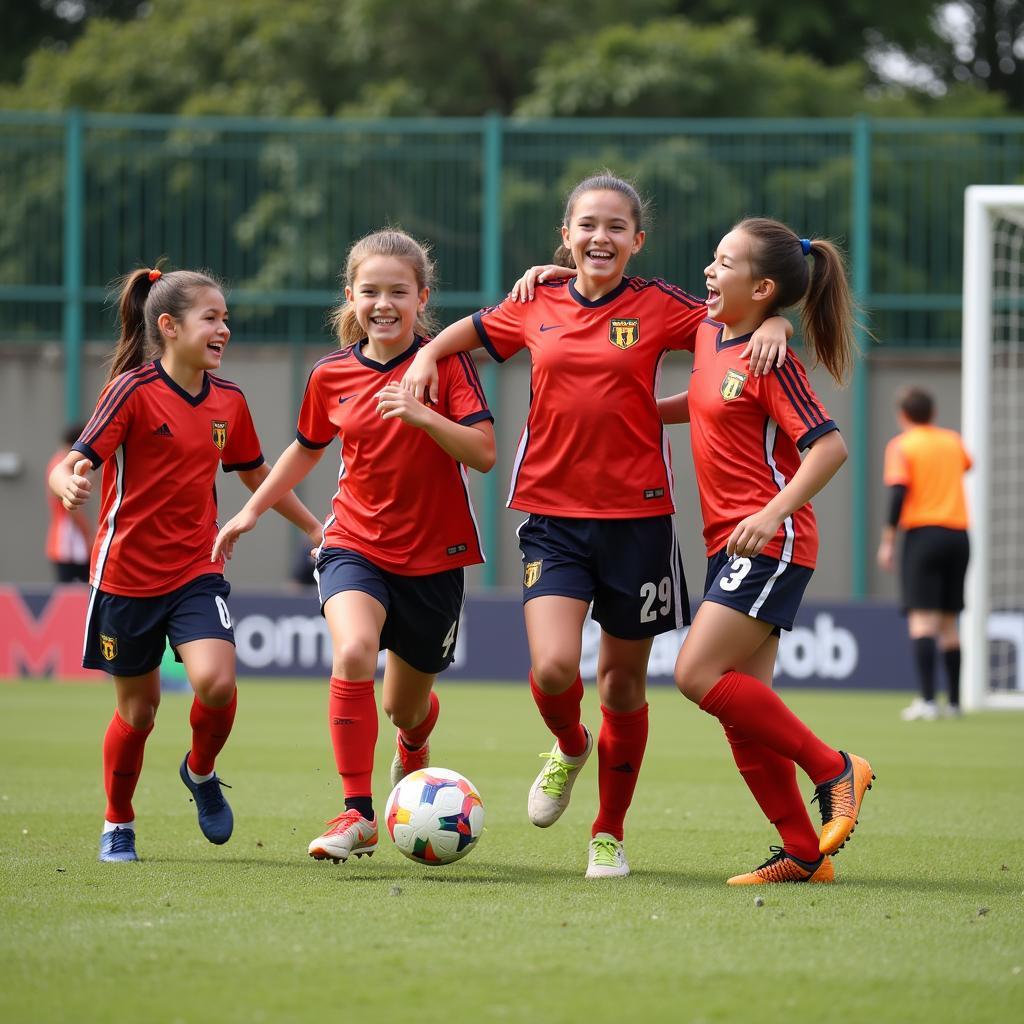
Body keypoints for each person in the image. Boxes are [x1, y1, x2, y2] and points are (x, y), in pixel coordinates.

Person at [402, 173, 791, 879]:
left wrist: (776, 322)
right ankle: (570, 745)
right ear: (566, 236)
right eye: (587, 225)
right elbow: (474, 333)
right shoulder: (535, 300)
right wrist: (429, 353)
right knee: (553, 670)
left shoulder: (662, 307)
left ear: (637, 242)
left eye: (616, 227)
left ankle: (608, 834)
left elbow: (733, 317)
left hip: (639, 523)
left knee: (621, 686)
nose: (600, 237)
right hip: (551, 517)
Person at [212, 229, 496, 864]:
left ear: (422, 298)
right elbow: (305, 451)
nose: (384, 304)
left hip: (436, 559)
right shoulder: (330, 373)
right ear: (351, 296)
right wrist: (251, 511)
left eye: (399, 291)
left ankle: (415, 748)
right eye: (370, 291)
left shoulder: (446, 365)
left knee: (405, 705)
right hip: (354, 545)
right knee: (354, 651)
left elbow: (483, 454)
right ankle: (358, 814)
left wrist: (423, 414)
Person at [49, 266, 323, 863]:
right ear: (168, 327)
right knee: (139, 712)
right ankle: (117, 820)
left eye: (226, 317)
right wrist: (67, 481)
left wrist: (311, 526)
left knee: (217, 684)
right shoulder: (131, 391)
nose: (225, 328)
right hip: (123, 578)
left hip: (198, 570)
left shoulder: (230, 401)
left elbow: (256, 474)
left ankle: (200, 771)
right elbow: (71, 462)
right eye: (211, 318)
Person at [659, 218, 874, 885]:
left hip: (774, 542)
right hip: (731, 546)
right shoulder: (708, 331)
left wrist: (772, 510)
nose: (708, 272)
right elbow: (699, 402)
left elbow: (829, 447)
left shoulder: (769, 357)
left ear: (763, 287)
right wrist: (620, 408)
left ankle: (836, 766)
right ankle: (803, 855)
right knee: (742, 712)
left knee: (695, 675)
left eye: (724, 263)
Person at [877, 387, 971, 720]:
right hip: (959, 535)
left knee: (922, 620)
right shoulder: (952, 442)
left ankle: (929, 701)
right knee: (949, 623)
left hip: (923, 535)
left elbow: (899, 493)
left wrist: (888, 540)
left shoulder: (902, 446)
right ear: (932, 413)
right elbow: (966, 466)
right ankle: (956, 703)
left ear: (903, 415)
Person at [45, 424, 94, 582]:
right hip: (69, 544)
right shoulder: (62, 465)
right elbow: (71, 508)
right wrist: (88, 533)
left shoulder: (58, 463)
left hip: (65, 542)